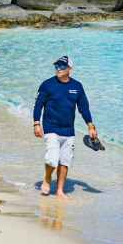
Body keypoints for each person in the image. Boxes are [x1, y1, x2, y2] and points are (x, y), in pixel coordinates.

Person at [33, 56, 98, 199]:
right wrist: (36, 123)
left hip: (68, 130)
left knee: (65, 161)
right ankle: (47, 179)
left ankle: (60, 190)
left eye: (62, 66)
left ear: (70, 69)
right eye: (56, 66)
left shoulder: (77, 86)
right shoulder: (47, 85)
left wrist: (90, 126)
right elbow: (38, 105)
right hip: (51, 128)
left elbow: (84, 107)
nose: (58, 69)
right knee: (52, 159)